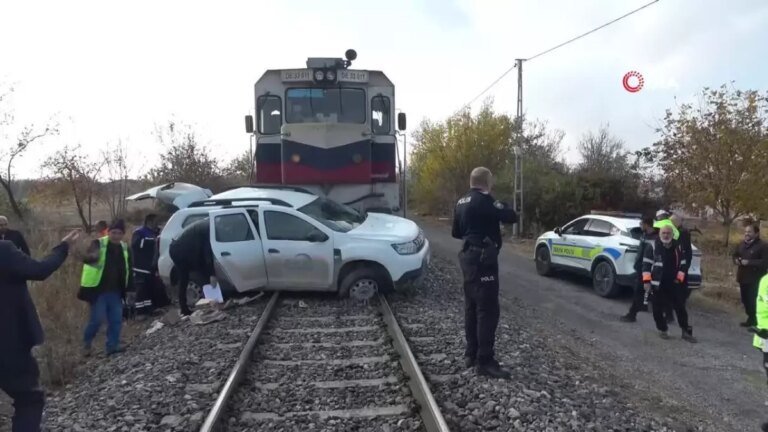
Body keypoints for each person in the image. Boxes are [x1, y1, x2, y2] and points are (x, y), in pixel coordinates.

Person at [0, 228, 81, 432]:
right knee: (29, 399)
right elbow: (40, 270)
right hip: (9, 344)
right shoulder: (4, 251)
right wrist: (63, 247)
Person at [451, 166, 518, 379]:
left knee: (471, 306)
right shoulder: (485, 201)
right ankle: (485, 361)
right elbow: (511, 216)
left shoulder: (461, 202)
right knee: (487, 310)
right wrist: (500, 209)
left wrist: (482, 227)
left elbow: (456, 232)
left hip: (467, 258)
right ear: (487, 182)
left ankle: (471, 354)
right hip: (483, 261)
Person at [79, 219, 133, 357]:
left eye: (119, 233)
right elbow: (87, 258)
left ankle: (112, 346)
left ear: (123, 234)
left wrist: (130, 289)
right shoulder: (98, 244)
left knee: (116, 320)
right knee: (96, 320)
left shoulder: (125, 248)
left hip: (116, 291)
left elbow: (129, 269)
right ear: (108, 232)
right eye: (113, 232)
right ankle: (86, 344)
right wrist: (90, 256)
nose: (116, 236)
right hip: (98, 291)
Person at [642, 224, 696, 342]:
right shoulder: (652, 246)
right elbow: (646, 265)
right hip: (657, 284)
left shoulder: (678, 247)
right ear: (660, 234)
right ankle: (663, 329)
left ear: (672, 234)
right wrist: (646, 281)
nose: (666, 235)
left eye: (668, 233)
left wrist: (679, 279)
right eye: (664, 233)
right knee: (657, 310)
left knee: (680, 308)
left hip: (674, 284)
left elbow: (683, 264)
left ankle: (686, 332)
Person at [169, 218, 216, 318]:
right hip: (179, 250)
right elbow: (207, 253)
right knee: (184, 277)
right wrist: (212, 274)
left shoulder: (207, 224)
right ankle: (184, 309)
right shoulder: (207, 229)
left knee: (200, 271)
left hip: (183, 248)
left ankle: (210, 300)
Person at [620, 216, 657, 323]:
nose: (640, 226)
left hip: (648, 269)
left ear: (646, 224)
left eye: (641, 224)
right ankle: (640, 308)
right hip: (641, 267)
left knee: (639, 291)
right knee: (641, 291)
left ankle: (632, 314)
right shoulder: (644, 235)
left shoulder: (655, 238)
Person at [732, 222, 768, 328]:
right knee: (745, 300)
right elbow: (735, 255)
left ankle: (757, 322)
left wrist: (749, 262)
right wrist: (736, 260)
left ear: (756, 234)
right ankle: (751, 318)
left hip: (755, 278)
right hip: (743, 277)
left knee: (753, 301)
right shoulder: (742, 244)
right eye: (746, 231)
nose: (746, 234)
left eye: (749, 232)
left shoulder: (763, 246)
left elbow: (764, 262)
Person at [131, 213, 165, 317]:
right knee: (141, 290)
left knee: (150, 288)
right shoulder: (139, 232)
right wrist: (153, 241)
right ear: (149, 222)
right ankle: (140, 312)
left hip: (151, 267)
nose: (157, 224)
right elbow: (136, 245)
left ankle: (150, 309)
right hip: (140, 267)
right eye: (156, 222)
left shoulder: (153, 232)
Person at [663, 213, 694, 324]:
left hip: (680, 270)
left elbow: (686, 255)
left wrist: (682, 271)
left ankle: (681, 317)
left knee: (680, 295)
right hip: (669, 270)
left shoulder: (683, 235)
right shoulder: (668, 233)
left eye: (672, 222)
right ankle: (669, 315)